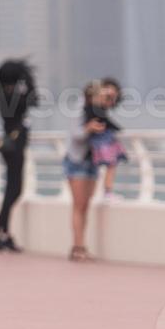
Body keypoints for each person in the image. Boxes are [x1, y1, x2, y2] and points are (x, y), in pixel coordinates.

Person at [0, 58, 38, 253]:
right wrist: (29, 78)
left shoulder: (2, 95)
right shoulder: (12, 97)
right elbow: (34, 99)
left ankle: (2, 232)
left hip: (12, 145)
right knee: (14, 190)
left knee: (12, 189)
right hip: (15, 146)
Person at [64, 81, 109, 262]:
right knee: (79, 205)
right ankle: (77, 247)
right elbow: (76, 135)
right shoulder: (79, 110)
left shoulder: (100, 112)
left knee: (86, 206)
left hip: (92, 162)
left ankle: (82, 245)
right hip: (77, 162)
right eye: (100, 96)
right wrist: (89, 128)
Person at [92, 78, 128, 203]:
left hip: (101, 138)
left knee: (109, 164)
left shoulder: (99, 107)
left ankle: (105, 192)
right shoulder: (94, 105)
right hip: (98, 139)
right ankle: (105, 192)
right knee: (107, 164)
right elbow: (104, 120)